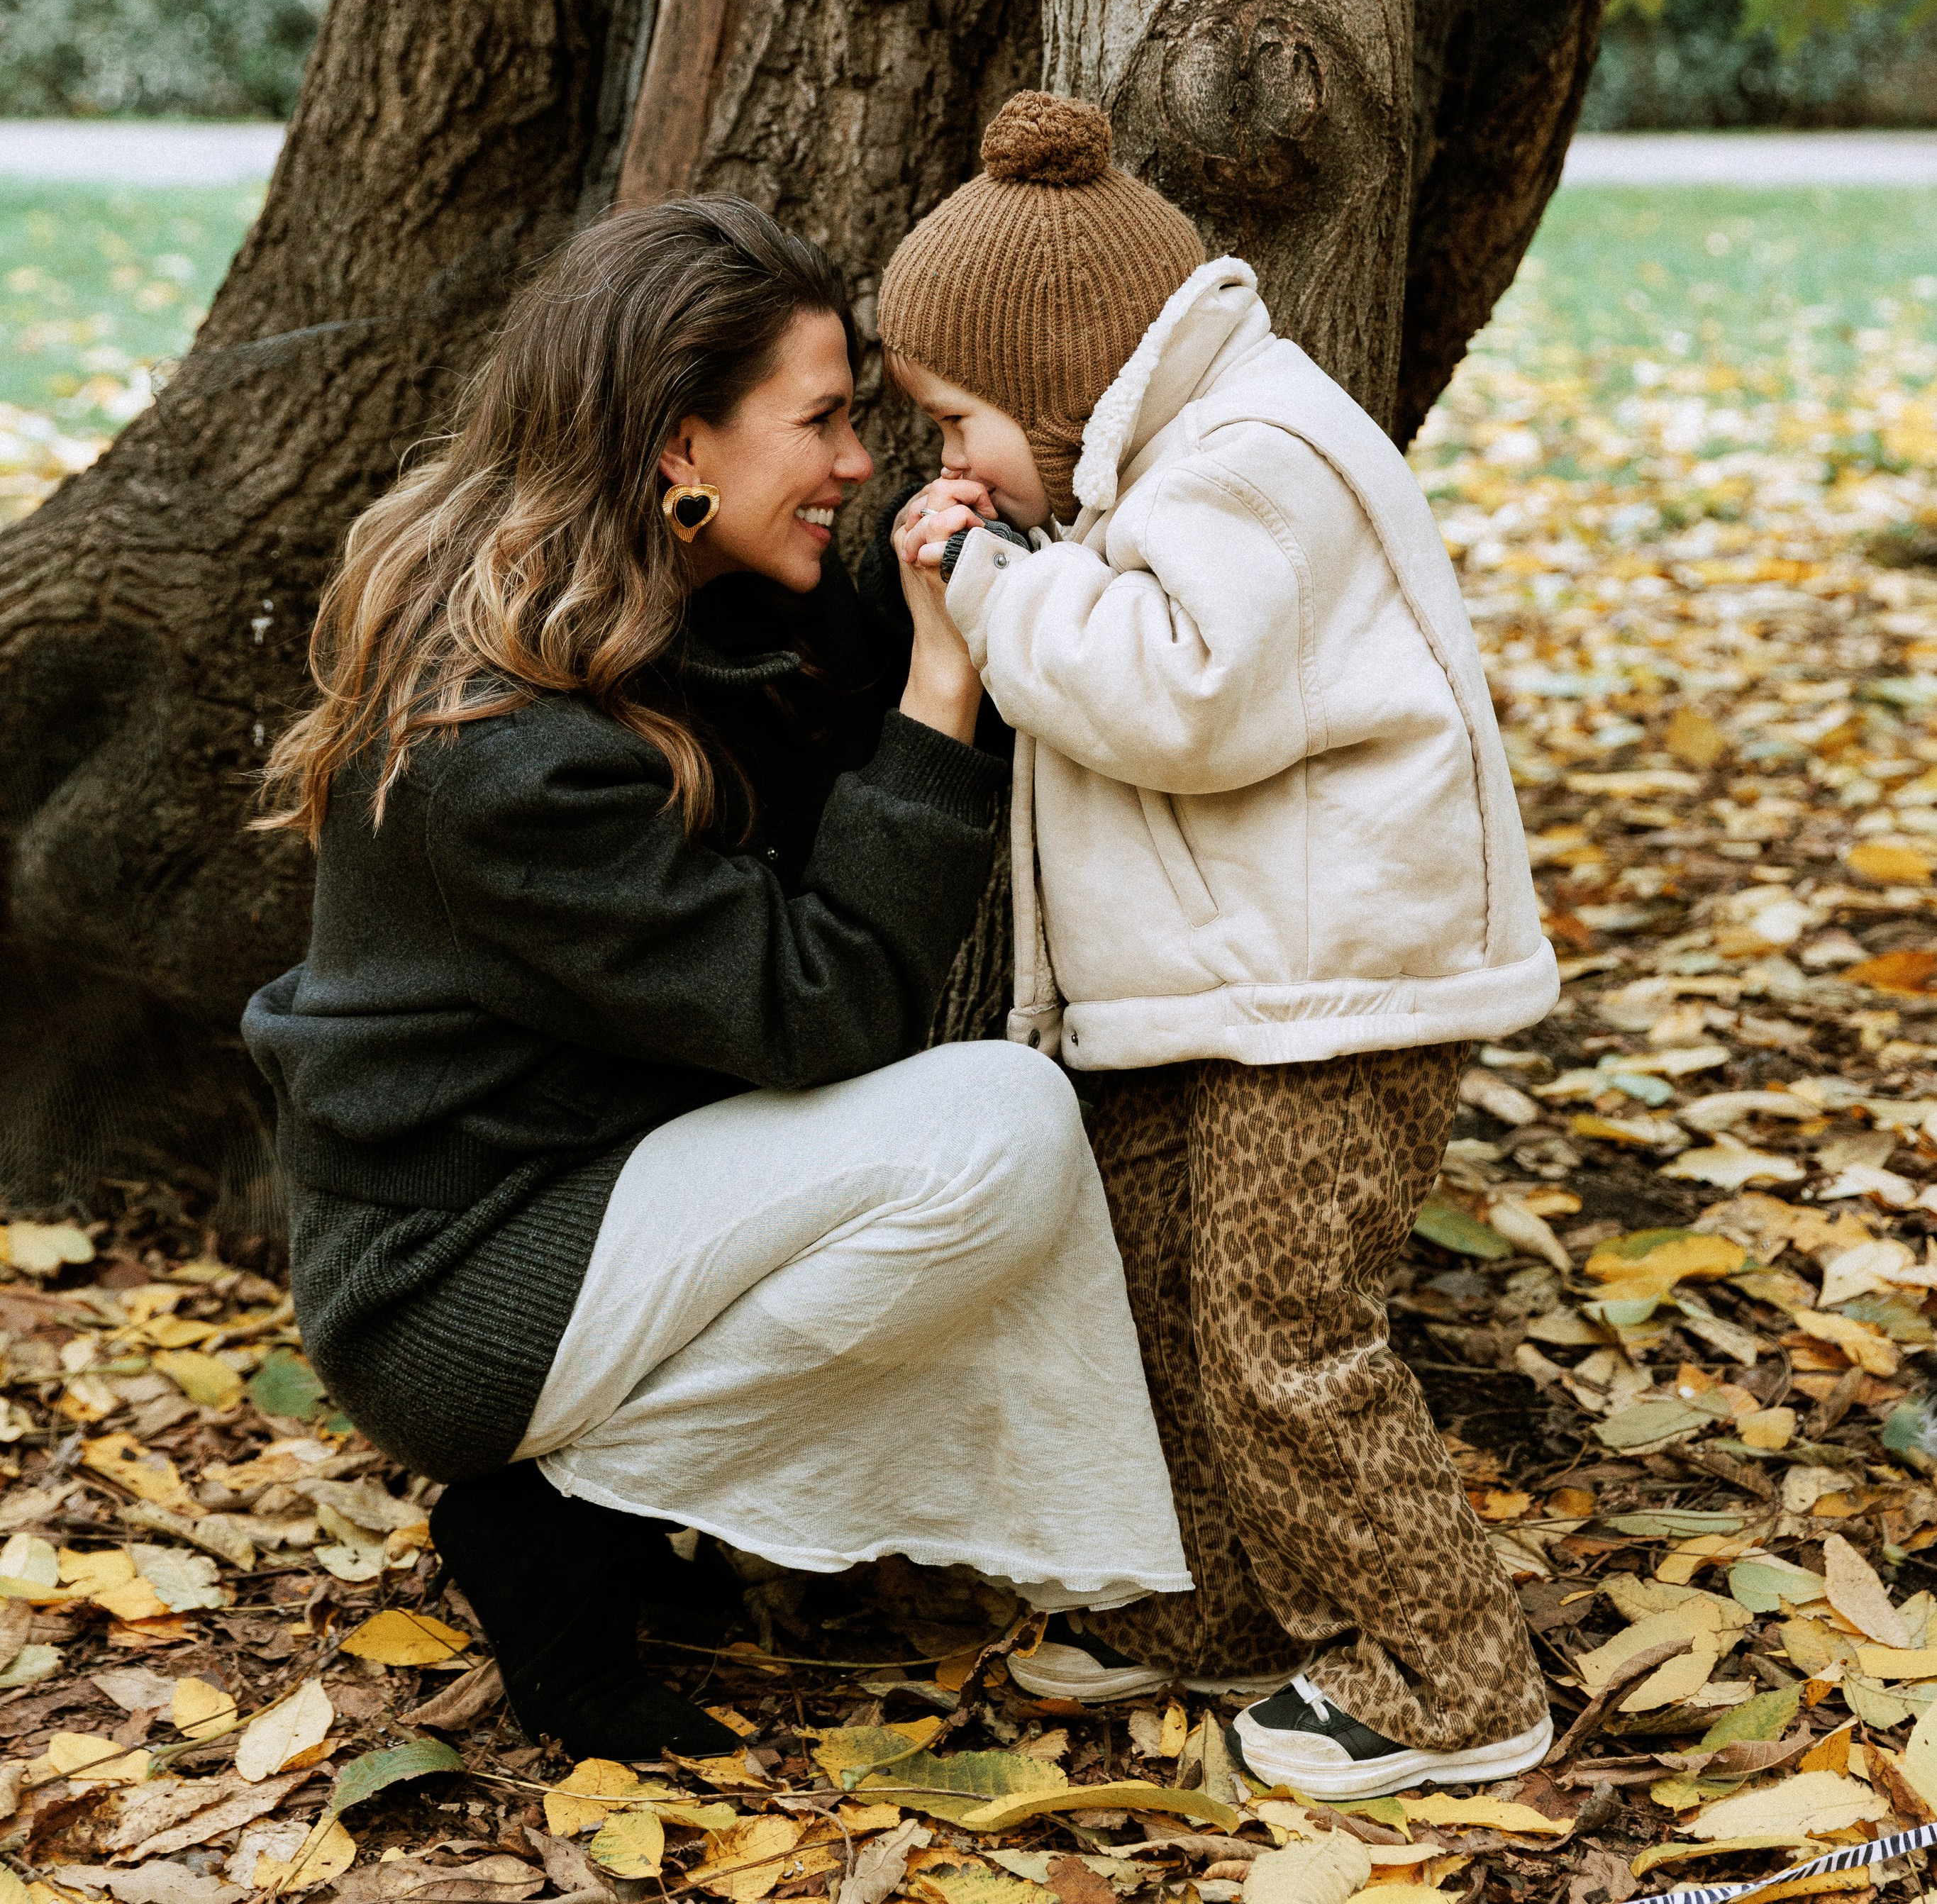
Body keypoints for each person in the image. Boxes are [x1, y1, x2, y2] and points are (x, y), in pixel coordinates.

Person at [243, 196, 1189, 1763]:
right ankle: (560, 1516)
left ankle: (628, 1506)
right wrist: (943, 680)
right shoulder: (505, 753)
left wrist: (954, 572)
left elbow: (824, 714)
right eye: (819, 422)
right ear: (682, 444)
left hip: (601, 1183)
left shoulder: (682, 602)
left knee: (985, 1137)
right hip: (452, 1279)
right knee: (995, 1126)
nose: (858, 461)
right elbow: (827, 1007)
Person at [872, 92, 1560, 1798]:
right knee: (1162, 1304)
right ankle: (1222, 1601)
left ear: (1051, 379)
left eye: (956, 418)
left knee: (1281, 1328)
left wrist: (994, 584)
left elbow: (1183, 692)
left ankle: (1449, 1672)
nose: (947, 458)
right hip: (1224, 985)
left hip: (1337, 993)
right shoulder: (1152, 459)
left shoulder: (1259, 455)